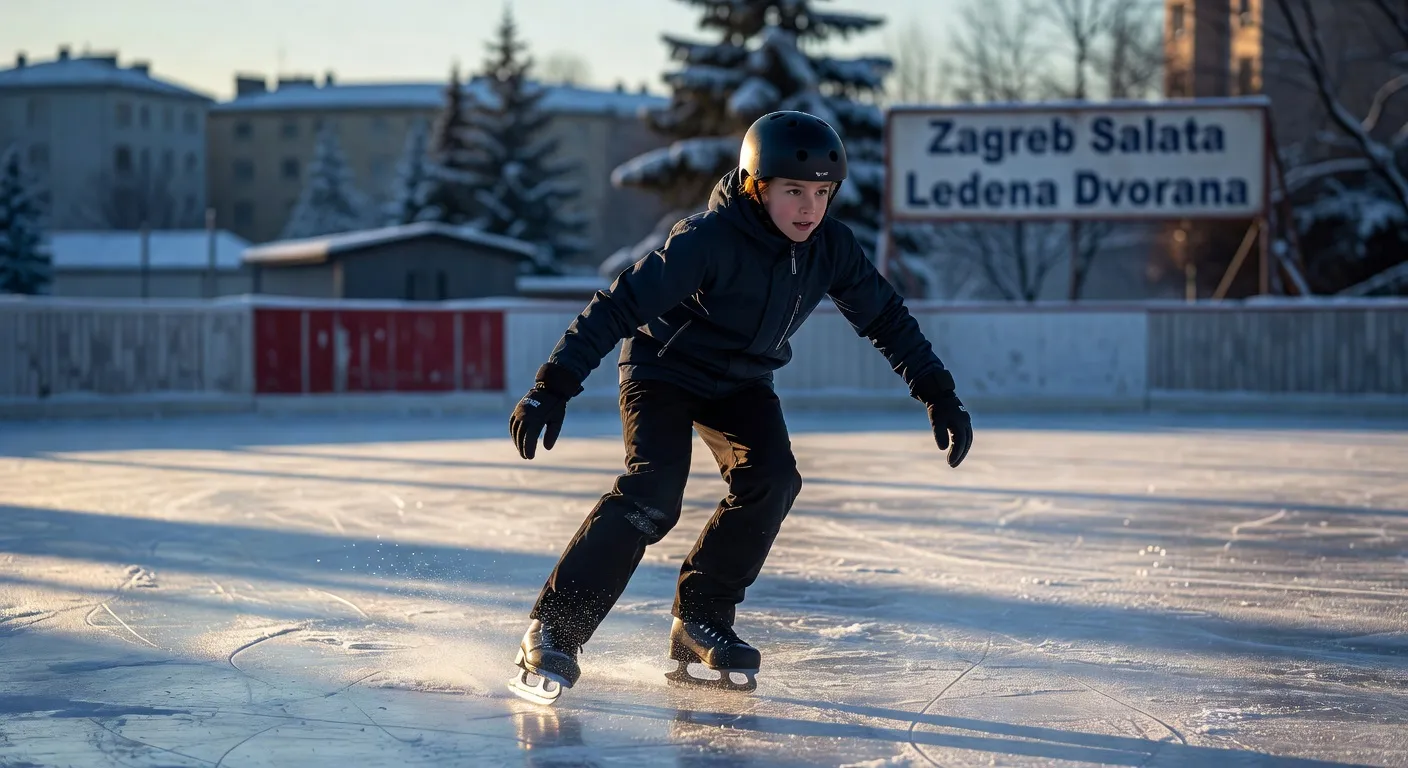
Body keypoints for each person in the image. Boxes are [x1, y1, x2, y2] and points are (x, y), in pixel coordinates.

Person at [506, 110, 973, 705]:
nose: (810, 208)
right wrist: (553, 385)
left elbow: (886, 318)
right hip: (664, 370)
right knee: (653, 493)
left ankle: (700, 619)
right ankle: (553, 630)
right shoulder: (709, 239)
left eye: (822, 194)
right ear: (757, 185)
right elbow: (618, 305)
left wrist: (938, 393)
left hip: (742, 382)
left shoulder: (829, 247)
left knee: (773, 479)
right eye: (794, 192)